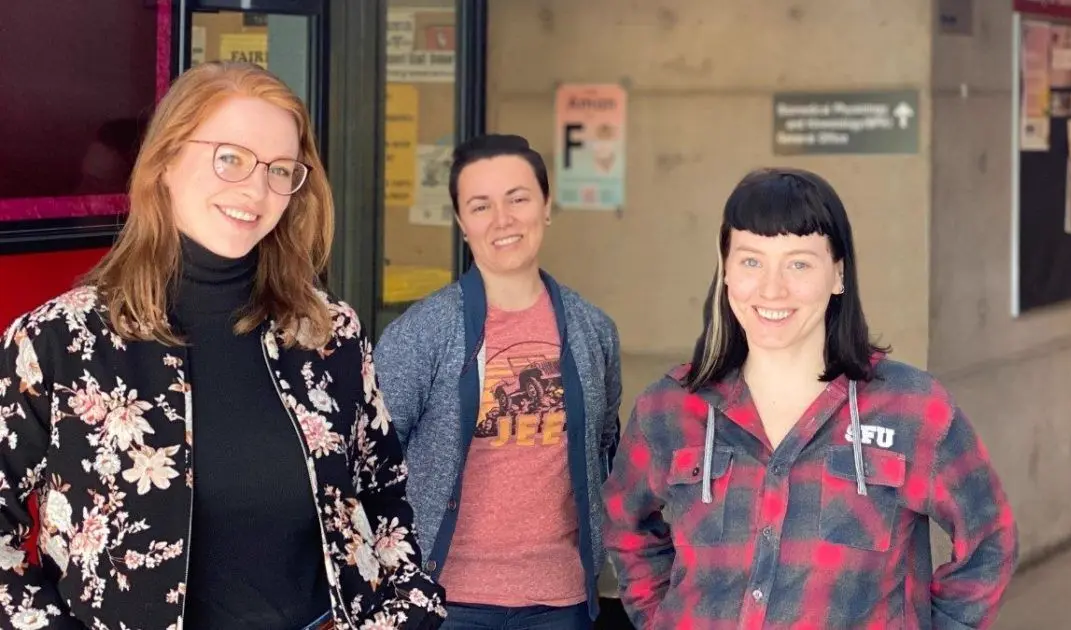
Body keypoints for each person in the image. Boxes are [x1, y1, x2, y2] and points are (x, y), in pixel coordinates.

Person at [0, 61, 445, 629]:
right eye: (230, 158)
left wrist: (406, 606)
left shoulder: (328, 332)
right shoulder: (60, 341)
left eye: (281, 169)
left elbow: (382, 490)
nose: (256, 190)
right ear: (165, 160)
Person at [601, 168, 1018, 629]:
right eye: (751, 261)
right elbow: (626, 525)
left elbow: (990, 539)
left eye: (799, 263)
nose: (772, 289)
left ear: (838, 274)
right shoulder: (669, 409)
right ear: (725, 271)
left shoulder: (913, 409)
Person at [374, 134, 622, 629]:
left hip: (560, 601)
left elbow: (603, 443)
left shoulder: (593, 330)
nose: (502, 219)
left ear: (546, 207)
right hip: (445, 602)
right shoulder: (421, 334)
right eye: (481, 206)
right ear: (463, 224)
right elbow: (373, 459)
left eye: (518, 198)